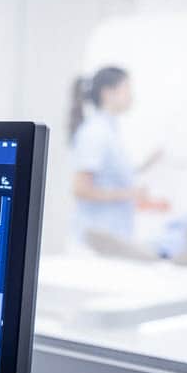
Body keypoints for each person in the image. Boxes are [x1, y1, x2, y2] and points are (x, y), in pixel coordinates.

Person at [68, 66, 167, 244]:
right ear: (108, 93)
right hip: (96, 240)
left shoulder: (110, 131)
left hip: (114, 237)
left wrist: (148, 164)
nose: (131, 96)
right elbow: (80, 189)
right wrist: (130, 194)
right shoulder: (95, 132)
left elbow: (111, 177)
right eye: (127, 88)